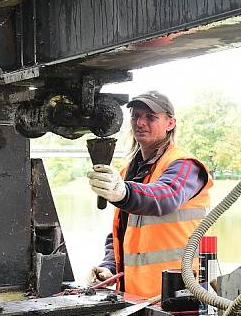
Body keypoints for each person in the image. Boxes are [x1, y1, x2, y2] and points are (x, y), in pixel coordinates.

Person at [86, 90, 212, 298]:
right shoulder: (129, 172)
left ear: (170, 123)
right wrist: (109, 265)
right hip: (135, 298)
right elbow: (123, 230)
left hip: (179, 296)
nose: (140, 123)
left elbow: (167, 196)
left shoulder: (184, 165)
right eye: (135, 116)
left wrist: (123, 192)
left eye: (151, 117)